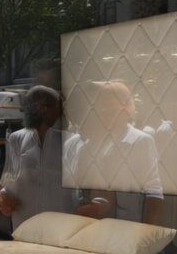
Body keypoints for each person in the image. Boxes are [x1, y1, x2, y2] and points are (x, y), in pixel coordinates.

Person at [64, 80, 163, 224]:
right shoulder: (72, 145)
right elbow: (69, 194)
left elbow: (153, 191)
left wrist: (147, 233)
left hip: (125, 232)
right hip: (83, 232)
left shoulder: (140, 141)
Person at [0, 85, 76, 230]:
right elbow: (9, 178)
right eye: (58, 106)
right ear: (42, 108)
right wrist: (5, 199)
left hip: (60, 225)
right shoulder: (16, 138)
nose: (61, 111)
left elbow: (76, 187)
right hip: (24, 224)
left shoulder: (70, 140)